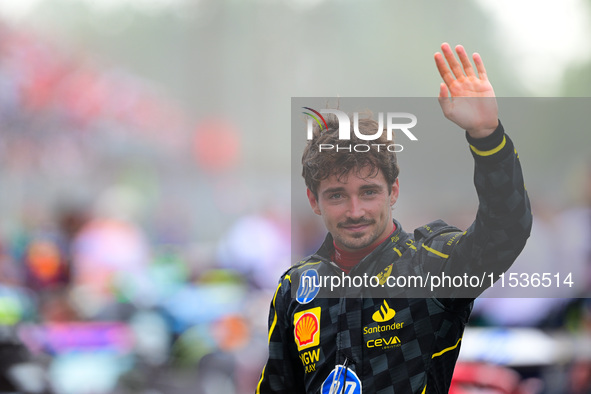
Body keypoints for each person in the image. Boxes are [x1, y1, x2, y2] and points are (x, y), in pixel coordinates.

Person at [256, 43, 532, 393]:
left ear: (394, 191)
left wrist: (487, 136)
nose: (355, 211)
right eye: (337, 195)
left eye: (369, 192)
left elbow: (505, 230)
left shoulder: (430, 266)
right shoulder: (295, 289)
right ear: (314, 200)